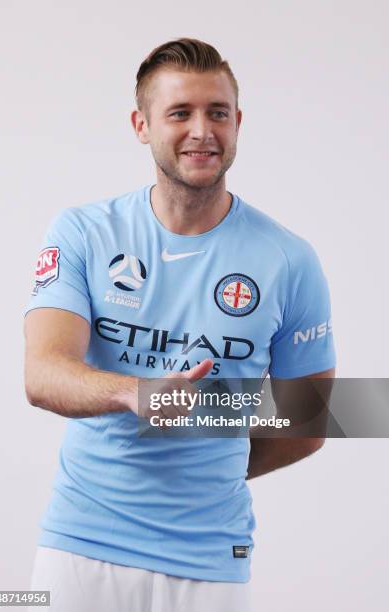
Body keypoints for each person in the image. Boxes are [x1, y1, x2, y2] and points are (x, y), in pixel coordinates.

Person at [24, 38, 336, 612]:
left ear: (238, 123)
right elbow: (43, 373)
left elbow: (309, 417)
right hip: (80, 546)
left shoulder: (289, 259)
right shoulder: (82, 233)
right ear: (141, 125)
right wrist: (134, 395)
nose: (202, 130)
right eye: (179, 113)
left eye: (217, 113)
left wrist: (211, 463)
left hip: (209, 559)